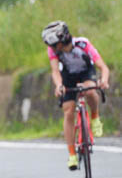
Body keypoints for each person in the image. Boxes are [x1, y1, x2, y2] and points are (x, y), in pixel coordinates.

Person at [42, 20, 110, 169]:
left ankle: (95, 117)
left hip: (86, 72)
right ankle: (72, 154)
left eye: (54, 44)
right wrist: (59, 85)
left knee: (90, 90)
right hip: (68, 76)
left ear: (63, 38)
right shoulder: (53, 51)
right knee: (68, 111)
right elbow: (55, 71)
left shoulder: (83, 44)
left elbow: (103, 67)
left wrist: (103, 81)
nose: (53, 48)